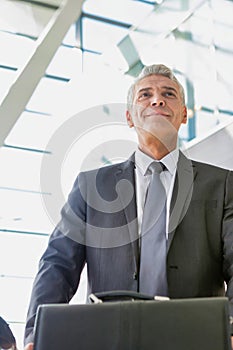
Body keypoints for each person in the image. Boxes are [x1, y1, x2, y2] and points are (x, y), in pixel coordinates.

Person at [24, 64, 233, 349]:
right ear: (129, 117)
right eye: (145, 94)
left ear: (184, 114)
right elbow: (58, 264)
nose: (157, 99)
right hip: (107, 337)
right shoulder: (91, 186)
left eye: (168, 94)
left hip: (196, 338)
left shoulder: (222, 184)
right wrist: (38, 334)